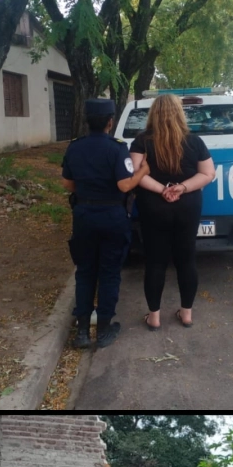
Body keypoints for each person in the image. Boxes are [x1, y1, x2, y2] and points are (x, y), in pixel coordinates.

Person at [61, 98, 150, 349]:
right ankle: (103, 330)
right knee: (109, 272)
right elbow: (124, 185)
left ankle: (81, 332)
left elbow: (67, 184)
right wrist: (143, 171)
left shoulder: (74, 147)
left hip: (84, 216)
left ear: (87, 122)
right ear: (110, 122)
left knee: (85, 271)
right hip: (112, 217)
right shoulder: (117, 148)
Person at [129, 94, 216, 329]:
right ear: (179, 113)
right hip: (188, 205)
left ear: (153, 114)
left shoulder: (141, 141)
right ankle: (186, 314)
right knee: (186, 259)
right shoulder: (194, 142)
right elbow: (208, 174)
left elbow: (136, 174)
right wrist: (181, 188)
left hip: (153, 206)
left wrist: (162, 190)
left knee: (155, 261)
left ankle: (154, 317)